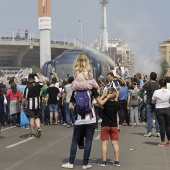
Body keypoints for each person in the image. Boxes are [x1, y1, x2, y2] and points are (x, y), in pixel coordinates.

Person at [62, 87, 114, 169]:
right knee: (88, 141)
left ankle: (71, 162)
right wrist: (107, 97)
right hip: (91, 119)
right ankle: (85, 163)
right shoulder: (91, 90)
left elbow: (70, 106)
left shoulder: (75, 91)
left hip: (79, 120)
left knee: (74, 141)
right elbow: (100, 103)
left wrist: (78, 107)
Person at [98, 87, 120, 167]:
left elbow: (98, 102)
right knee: (115, 143)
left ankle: (104, 161)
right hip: (114, 125)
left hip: (105, 125)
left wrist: (104, 96)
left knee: (104, 143)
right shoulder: (117, 104)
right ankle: (117, 161)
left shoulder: (105, 103)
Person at [21, 73, 43, 138]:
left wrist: (22, 104)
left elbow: (25, 98)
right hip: (38, 103)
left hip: (30, 104)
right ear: (34, 78)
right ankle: (38, 128)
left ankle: (32, 132)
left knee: (31, 118)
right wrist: (39, 76)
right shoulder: (37, 84)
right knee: (37, 117)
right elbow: (42, 81)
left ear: (28, 79)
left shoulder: (27, 87)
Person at [152, 79, 170, 146]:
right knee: (168, 126)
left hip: (159, 109)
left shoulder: (156, 92)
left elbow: (153, 101)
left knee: (162, 126)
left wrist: (158, 102)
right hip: (167, 108)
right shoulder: (169, 91)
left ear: (159, 84)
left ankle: (162, 142)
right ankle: (169, 140)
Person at [141, 72, 160, 137]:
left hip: (149, 101)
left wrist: (144, 91)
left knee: (149, 117)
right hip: (157, 102)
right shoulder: (158, 84)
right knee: (157, 117)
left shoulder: (147, 83)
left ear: (150, 77)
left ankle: (149, 132)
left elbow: (141, 88)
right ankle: (158, 132)